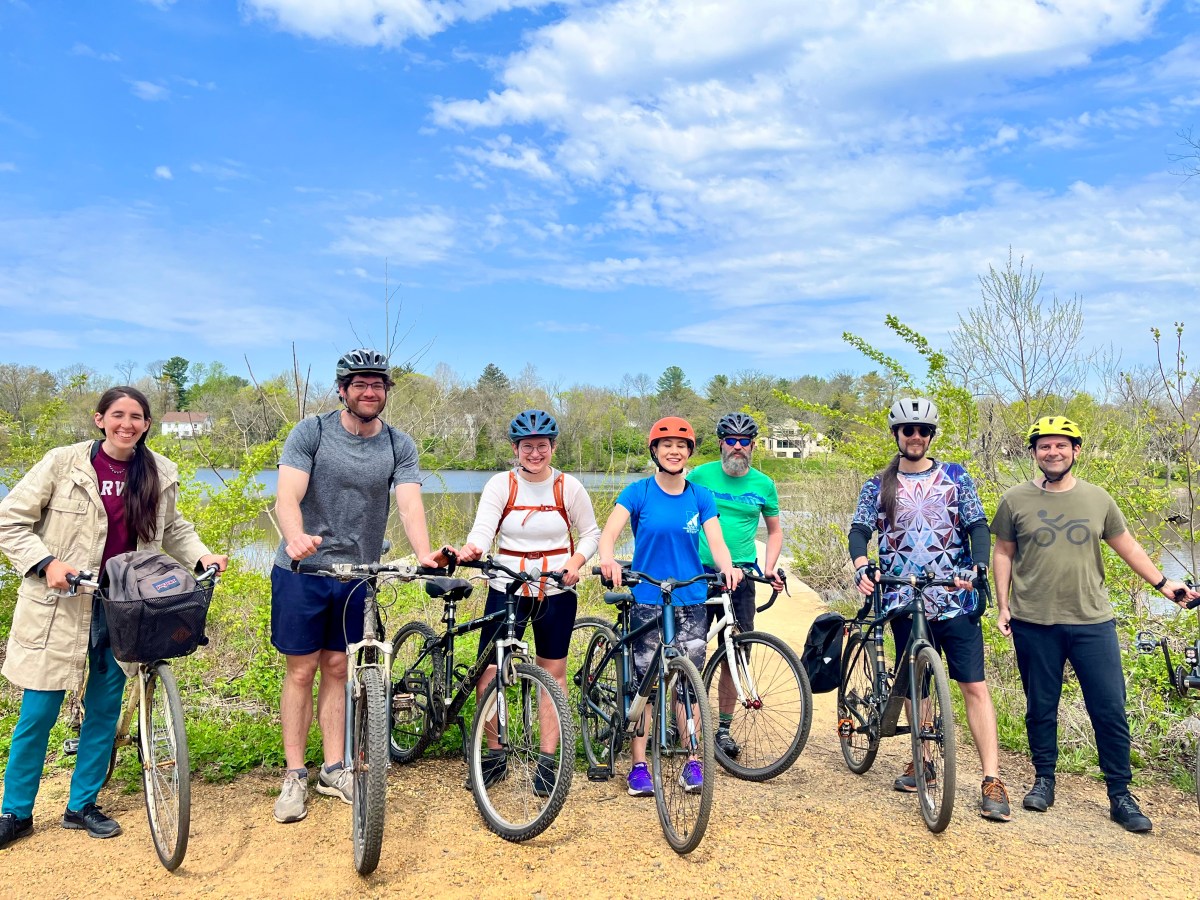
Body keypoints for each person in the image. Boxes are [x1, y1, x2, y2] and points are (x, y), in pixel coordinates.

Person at [0, 387, 227, 848]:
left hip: (125, 606)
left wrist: (201, 555)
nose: (127, 424)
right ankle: (15, 812)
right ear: (99, 419)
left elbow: (172, 528)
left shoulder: (160, 470)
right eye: (118, 415)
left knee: (104, 710)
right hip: (60, 605)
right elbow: (10, 520)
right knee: (38, 713)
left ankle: (81, 805)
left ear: (146, 424)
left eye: (137, 417)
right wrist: (47, 564)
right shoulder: (62, 463)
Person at [992, 415, 1200, 833]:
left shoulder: (1098, 499)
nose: (1053, 452)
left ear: (1076, 451)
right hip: (1034, 620)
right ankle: (1043, 781)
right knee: (1040, 708)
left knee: (1109, 709)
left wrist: (1164, 584)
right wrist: (1002, 605)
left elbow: (1128, 547)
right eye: (1044, 446)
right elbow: (1002, 553)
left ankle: (1120, 795)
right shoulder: (1015, 499)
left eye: (1060, 445)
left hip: (1093, 622)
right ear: (1034, 453)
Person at [271, 349, 443, 824]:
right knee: (301, 671)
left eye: (378, 385)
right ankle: (293, 775)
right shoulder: (313, 432)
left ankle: (333, 767)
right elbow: (288, 495)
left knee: (338, 670)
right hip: (302, 572)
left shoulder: (397, 444)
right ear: (343, 389)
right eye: (360, 384)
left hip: (358, 576)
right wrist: (294, 537)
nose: (370, 392)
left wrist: (425, 554)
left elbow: (409, 505)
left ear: (386, 391)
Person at [849, 398, 1010, 822]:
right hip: (903, 597)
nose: (916, 436)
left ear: (931, 436)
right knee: (916, 687)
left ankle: (992, 778)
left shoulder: (955, 477)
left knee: (974, 686)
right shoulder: (878, 484)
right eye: (908, 430)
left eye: (923, 430)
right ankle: (924, 760)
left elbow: (977, 526)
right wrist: (862, 564)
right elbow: (860, 530)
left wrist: (976, 567)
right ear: (897, 436)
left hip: (953, 596)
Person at [455, 409, 601, 795]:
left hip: (555, 590)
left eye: (541, 446)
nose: (534, 454)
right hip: (507, 589)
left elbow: (590, 534)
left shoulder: (568, 487)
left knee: (553, 674)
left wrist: (575, 562)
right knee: (491, 669)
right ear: (515, 449)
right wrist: (473, 550)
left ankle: (548, 759)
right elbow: (483, 530)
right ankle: (493, 754)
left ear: (552, 447)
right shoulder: (500, 485)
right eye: (526, 447)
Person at [597, 416, 741, 797]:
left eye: (681, 446)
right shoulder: (638, 491)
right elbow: (608, 533)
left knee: (686, 685)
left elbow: (717, 542)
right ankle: (639, 765)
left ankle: (693, 760)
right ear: (655, 452)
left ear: (689, 453)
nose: (674, 451)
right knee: (646, 684)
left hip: (690, 600)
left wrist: (727, 569)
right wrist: (609, 559)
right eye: (666, 446)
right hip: (647, 597)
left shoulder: (700, 496)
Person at [687, 411, 785, 758]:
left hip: (741, 575)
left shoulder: (764, 484)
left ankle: (723, 730)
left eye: (745, 442)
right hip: (698, 572)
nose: (738, 447)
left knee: (736, 652)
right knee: (689, 650)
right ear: (721, 443)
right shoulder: (699, 475)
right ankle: (683, 724)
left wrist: (769, 567)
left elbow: (774, 531)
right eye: (732, 440)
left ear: (753, 446)